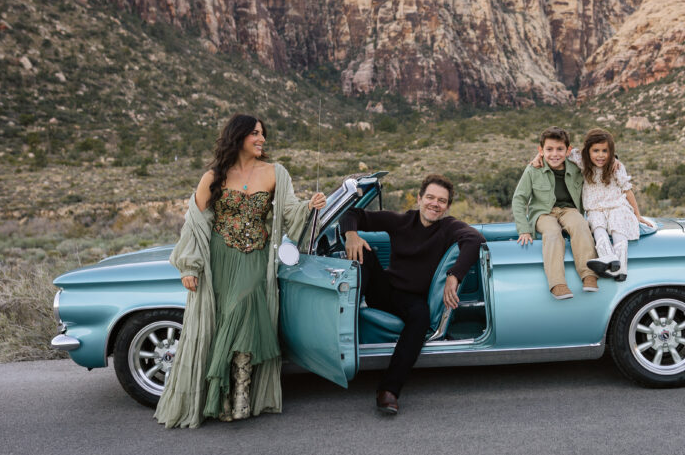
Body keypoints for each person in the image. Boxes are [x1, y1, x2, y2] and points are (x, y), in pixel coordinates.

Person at [155, 113, 325, 428]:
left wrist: (309, 206)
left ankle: (242, 394)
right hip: (218, 259)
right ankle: (219, 398)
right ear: (239, 136)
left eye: (263, 134)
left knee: (242, 312)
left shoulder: (276, 173)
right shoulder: (213, 176)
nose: (262, 140)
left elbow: (288, 212)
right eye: (256, 134)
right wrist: (189, 265)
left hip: (255, 259)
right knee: (219, 323)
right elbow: (195, 222)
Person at [341, 174, 485, 415]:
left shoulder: (449, 227)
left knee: (420, 317)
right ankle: (346, 322)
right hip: (384, 289)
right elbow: (351, 215)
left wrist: (455, 274)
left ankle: (388, 390)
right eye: (430, 197)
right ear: (419, 198)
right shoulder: (401, 220)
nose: (434, 204)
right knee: (364, 253)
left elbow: (475, 239)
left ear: (447, 206)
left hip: (412, 300)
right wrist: (351, 235)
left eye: (441, 200)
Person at [512, 127, 599, 299]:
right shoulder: (533, 170)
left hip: (569, 210)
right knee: (552, 233)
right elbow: (519, 199)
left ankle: (589, 275)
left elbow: (598, 158)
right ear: (540, 150)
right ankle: (557, 283)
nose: (554, 154)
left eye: (560, 149)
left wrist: (616, 162)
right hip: (543, 213)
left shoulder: (576, 167)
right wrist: (524, 229)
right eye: (549, 149)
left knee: (581, 225)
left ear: (568, 150)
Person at [569, 128, 650, 282]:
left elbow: (627, 190)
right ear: (588, 151)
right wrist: (539, 156)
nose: (600, 155)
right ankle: (608, 258)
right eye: (596, 151)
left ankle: (621, 268)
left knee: (617, 228)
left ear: (611, 151)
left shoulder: (616, 167)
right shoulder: (582, 161)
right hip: (595, 208)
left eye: (605, 151)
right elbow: (565, 150)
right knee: (597, 227)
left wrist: (637, 214)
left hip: (617, 205)